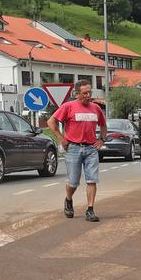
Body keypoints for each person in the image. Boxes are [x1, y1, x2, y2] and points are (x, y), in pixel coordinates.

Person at [48, 79, 107, 222]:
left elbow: (104, 125)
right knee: (73, 181)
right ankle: (68, 199)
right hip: (73, 148)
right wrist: (61, 138)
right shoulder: (68, 106)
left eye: (89, 93)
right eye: (85, 93)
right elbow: (51, 122)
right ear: (76, 94)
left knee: (92, 180)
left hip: (91, 148)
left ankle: (90, 210)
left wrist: (101, 139)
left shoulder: (96, 108)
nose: (88, 95)